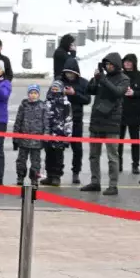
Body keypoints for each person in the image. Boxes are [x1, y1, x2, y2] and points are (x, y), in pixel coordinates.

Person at [82, 52, 127, 196]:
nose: (108, 67)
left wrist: (103, 80)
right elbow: (90, 90)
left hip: (112, 122)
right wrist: (95, 79)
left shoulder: (124, 79)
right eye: (106, 64)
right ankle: (95, 182)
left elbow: (117, 92)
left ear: (117, 65)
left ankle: (113, 185)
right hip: (97, 120)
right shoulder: (103, 77)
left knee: (112, 156)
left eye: (111, 64)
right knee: (93, 155)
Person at [60, 56, 91, 184]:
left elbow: (87, 99)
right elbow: (50, 96)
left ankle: (76, 172)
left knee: (77, 148)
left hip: (76, 120)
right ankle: (56, 172)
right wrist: (60, 93)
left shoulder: (83, 83)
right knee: (58, 147)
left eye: (71, 73)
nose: (69, 75)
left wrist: (74, 94)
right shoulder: (59, 81)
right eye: (67, 73)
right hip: (60, 120)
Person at [119, 54, 140, 175]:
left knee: (135, 140)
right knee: (119, 140)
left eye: (129, 62)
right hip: (119, 112)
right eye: (125, 62)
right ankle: (118, 163)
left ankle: (135, 164)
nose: (127, 64)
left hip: (134, 112)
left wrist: (135, 93)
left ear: (134, 63)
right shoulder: (118, 75)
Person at [13, 84, 47, 186]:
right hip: (24, 139)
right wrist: (16, 137)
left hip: (37, 141)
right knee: (21, 160)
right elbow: (18, 122)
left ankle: (34, 178)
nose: (33, 95)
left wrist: (45, 136)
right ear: (28, 94)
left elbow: (46, 122)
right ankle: (20, 177)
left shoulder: (42, 106)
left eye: (35, 93)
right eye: (31, 93)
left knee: (36, 162)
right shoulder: (23, 106)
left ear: (38, 94)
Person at [41, 80, 72, 187]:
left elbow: (68, 120)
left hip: (60, 135)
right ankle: (49, 175)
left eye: (56, 89)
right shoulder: (46, 102)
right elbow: (43, 118)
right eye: (53, 89)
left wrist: (67, 136)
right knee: (49, 155)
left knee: (58, 157)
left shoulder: (66, 103)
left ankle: (56, 176)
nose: (54, 91)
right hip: (48, 134)